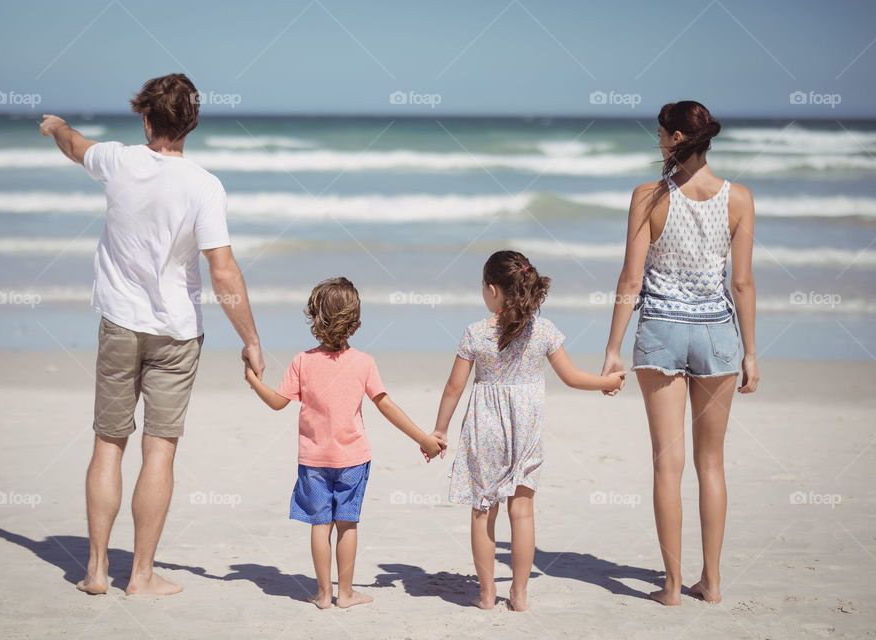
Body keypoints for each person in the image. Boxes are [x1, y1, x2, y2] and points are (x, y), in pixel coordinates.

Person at [40, 73, 264, 596]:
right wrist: (250, 338)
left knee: (108, 443)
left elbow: (74, 145)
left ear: (145, 118)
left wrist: (56, 126)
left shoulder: (117, 160)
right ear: (192, 122)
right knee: (159, 449)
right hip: (177, 334)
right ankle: (139, 575)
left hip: (119, 323)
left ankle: (95, 570)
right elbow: (223, 269)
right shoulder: (204, 186)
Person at [600, 100, 759, 605]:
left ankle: (670, 586)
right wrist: (751, 353)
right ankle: (710, 582)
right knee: (711, 463)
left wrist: (612, 348)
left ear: (672, 138)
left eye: (660, 134)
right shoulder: (739, 199)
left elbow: (630, 278)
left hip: (662, 333)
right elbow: (743, 283)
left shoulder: (648, 196)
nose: (659, 141)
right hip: (717, 336)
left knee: (667, 464)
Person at [428, 251, 625, 611]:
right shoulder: (544, 330)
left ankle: (487, 595)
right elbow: (571, 377)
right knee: (523, 511)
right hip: (527, 424)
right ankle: (518, 594)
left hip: (484, 424)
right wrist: (605, 381)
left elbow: (453, 388)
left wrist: (439, 430)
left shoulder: (475, 333)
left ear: (491, 290)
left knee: (482, 510)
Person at [244, 277, 446, 609]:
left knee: (319, 525)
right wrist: (423, 438)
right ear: (355, 321)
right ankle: (346, 593)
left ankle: (324, 594)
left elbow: (277, 403)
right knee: (347, 524)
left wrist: (253, 380)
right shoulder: (364, 362)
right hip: (353, 458)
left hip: (313, 461)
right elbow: (386, 405)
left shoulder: (302, 361)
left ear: (314, 316)